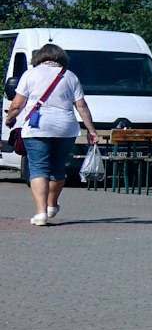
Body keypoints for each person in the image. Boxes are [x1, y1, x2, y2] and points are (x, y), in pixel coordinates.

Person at [3, 44, 103, 226]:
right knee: (58, 168)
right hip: (66, 128)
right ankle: (52, 204)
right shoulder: (70, 76)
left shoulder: (30, 75)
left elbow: (17, 104)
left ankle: (41, 213)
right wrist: (91, 131)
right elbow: (81, 106)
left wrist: (9, 119)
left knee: (38, 168)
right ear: (61, 58)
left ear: (39, 57)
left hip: (37, 127)